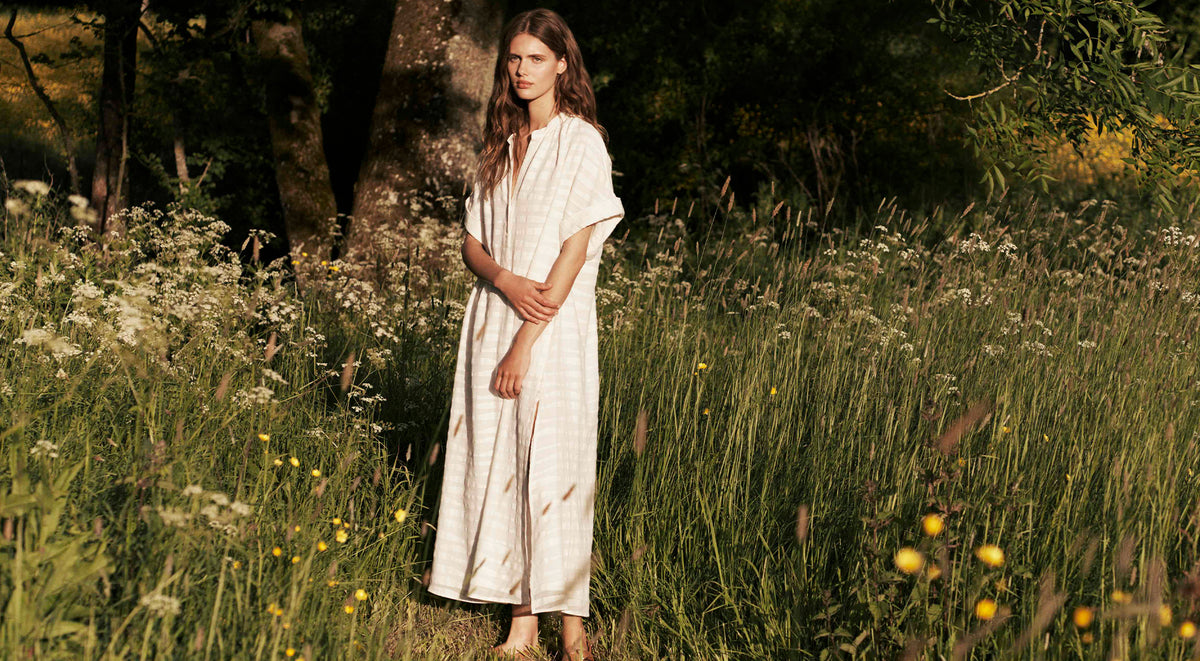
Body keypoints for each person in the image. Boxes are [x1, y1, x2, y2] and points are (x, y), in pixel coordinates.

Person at [426, 8, 624, 661]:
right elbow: (472, 244)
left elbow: (574, 249)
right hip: (492, 317)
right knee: (505, 463)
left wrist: (524, 341)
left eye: (535, 58)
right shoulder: (501, 145)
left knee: (556, 466)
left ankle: (574, 631)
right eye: (514, 58)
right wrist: (506, 281)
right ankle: (521, 621)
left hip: (552, 332)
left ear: (563, 64)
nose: (521, 69)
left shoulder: (581, 141)